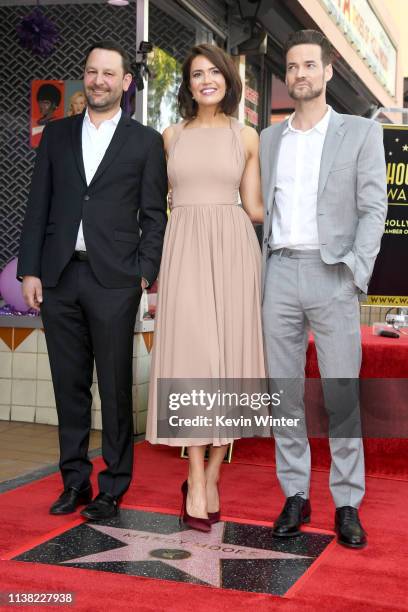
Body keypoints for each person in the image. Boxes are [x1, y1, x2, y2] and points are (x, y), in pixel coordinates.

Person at [18, 40, 167, 521]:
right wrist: (30, 269)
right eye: (91, 71)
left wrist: (144, 273)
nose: (98, 80)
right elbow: (37, 205)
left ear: (126, 83)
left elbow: (153, 215)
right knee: (69, 385)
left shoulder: (145, 142)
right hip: (60, 277)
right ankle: (74, 481)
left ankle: (113, 484)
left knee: (116, 389)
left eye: (109, 73)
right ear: (84, 76)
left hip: (115, 280)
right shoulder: (57, 135)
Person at [260, 30, 387, 548]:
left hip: (333, 274)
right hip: (280, 274)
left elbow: (374, 207)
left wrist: (356, 271)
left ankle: (347, 501)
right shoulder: (269, 139)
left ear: (328, 72)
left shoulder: (358, 133)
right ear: (286, 75)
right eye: (292, 67)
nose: (300, 75)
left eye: (309, 65)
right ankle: (295, 493)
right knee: (283, 393)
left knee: (341, 394)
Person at [146, 43, 265, 531]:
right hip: (184, 251)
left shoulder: (248, 136)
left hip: (234, 251)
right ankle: (194, 476)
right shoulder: (170, 136)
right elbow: (156, 203)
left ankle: (214, 472)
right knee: (193, 362)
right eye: (197, 74)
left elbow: (254, 208)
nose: (206, 80)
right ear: (188, 85)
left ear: (227, 81)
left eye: (214, 71)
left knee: (231, 365)